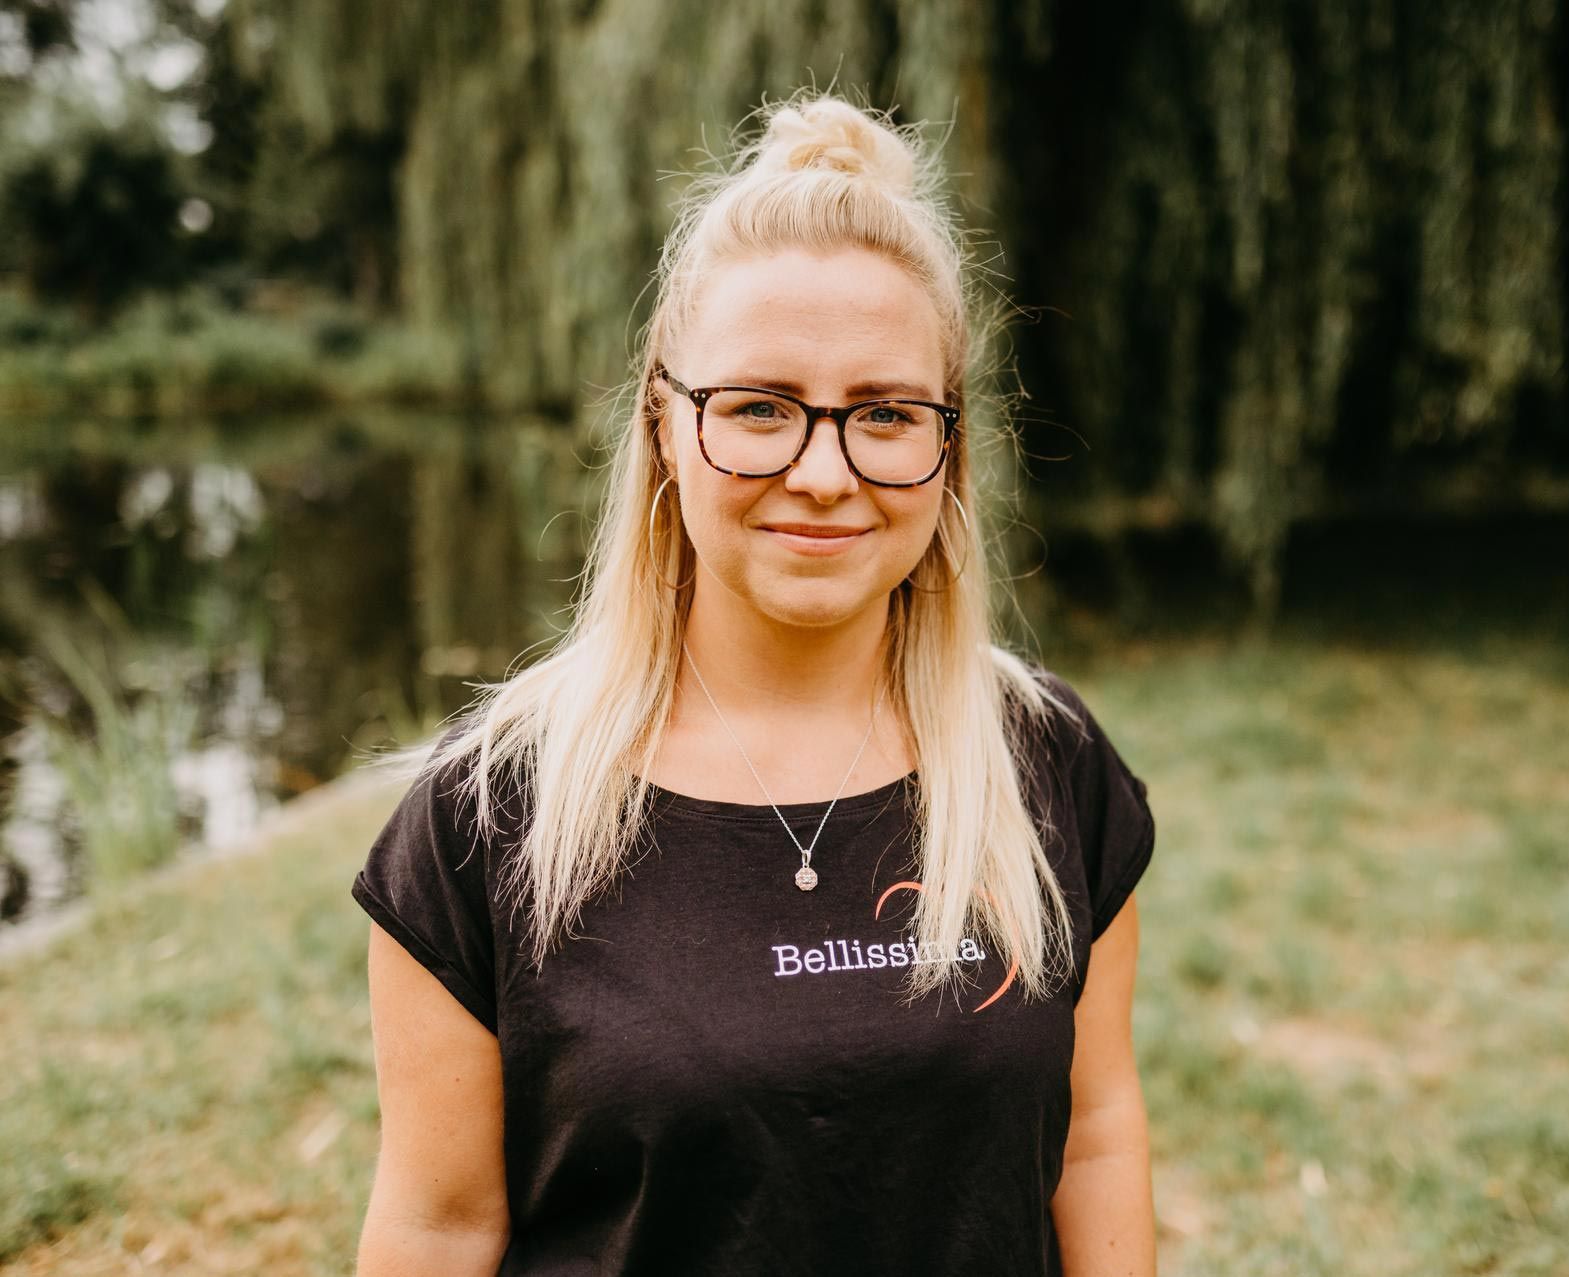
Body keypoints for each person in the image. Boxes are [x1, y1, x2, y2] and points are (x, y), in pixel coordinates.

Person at [351, 92, 1157, 1277]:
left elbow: (1094, 1138)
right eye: (760, 408)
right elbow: (439, 1224)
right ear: (664, 429)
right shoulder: (486, 817)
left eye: (884, 413)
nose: (824, 473)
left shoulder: (1049, 762)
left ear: (950, 446)